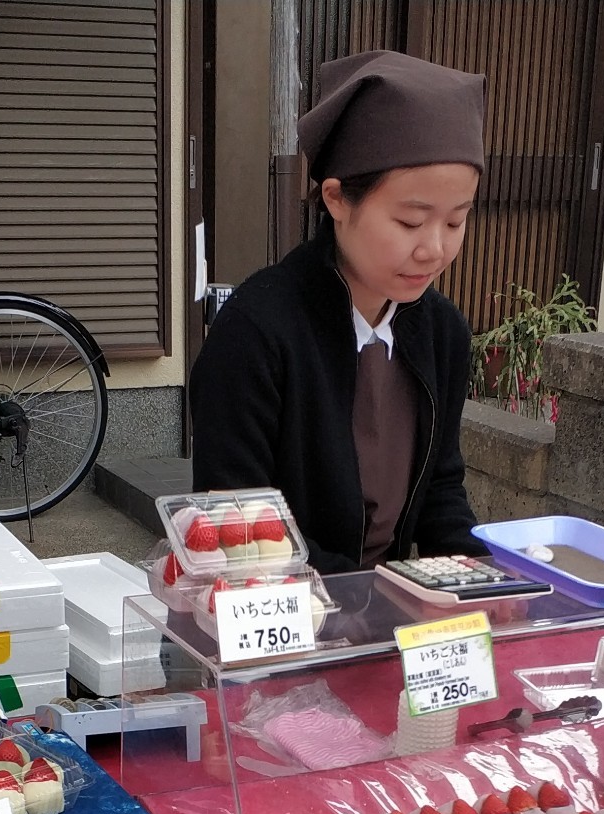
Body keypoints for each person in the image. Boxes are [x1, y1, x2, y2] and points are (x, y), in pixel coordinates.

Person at [190, 50, 490, 574]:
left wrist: (483, 574)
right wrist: (382, 597)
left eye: (456, 221)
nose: (434, 250)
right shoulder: (256, 332)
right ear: (336, 199)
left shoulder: (441, 332)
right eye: (410, 221)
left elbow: (441, 487)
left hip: (386, 616)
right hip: (281, 620)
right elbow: (238, 532)